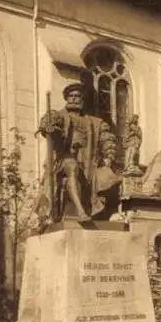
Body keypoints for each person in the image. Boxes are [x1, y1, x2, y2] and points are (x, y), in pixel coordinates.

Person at [35, 77, 121, 228]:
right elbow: (51, 127)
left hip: (89, 164)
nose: (75, 99)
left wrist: (108, 156)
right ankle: (80, 212)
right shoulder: (60, 116)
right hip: (62, 160)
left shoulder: (95, 122)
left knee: (109, 176)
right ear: (67, 99)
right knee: (72, 166)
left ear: (83, 100)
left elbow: (108, 139)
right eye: (71, 96)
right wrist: (48, 126)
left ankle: (107, 216)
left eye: (78, 97)